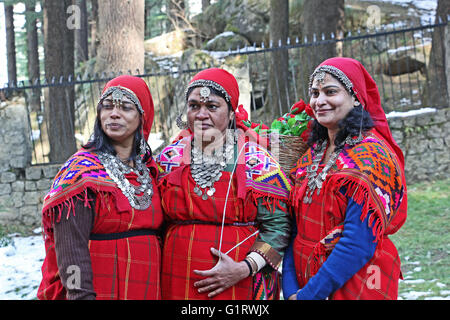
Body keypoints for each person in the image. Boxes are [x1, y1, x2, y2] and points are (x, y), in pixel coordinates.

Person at [156, 68, 291, 300]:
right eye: (194, 106)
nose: (201, 114)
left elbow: (279, 228)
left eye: (212, 107)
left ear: (230, 113)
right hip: (176, 282)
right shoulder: (169, 159)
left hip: (240, 284)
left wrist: (245, 267)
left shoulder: (256, 161)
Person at [282, 57, 407, 300]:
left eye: (330, 92)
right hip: (304, 283)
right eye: (315, 93)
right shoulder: (311, 155)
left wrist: (309, 295)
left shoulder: (373, 157)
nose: (319, 101)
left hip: (356, 283)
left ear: (357, 98)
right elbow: (294, 229)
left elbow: (358, 243)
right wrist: (290, 288)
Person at [37, 75, 163, 300]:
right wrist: (79, 295)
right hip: (99, 292)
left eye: (125, 107)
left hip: (147, 289)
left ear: (143, 117)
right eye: (107, 106)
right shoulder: (80, 173)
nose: (114, 114)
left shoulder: (152, 172)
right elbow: (70, 252)